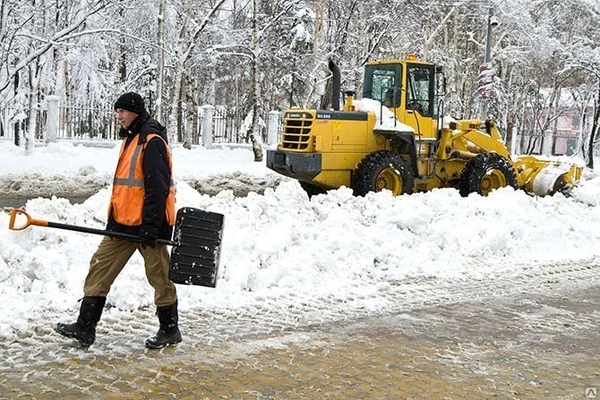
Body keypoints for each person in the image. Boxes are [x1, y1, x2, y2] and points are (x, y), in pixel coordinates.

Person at [54, 92, 181, 349]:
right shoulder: (131, 140)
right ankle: (85, 327)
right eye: (117, 112)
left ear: (134, 111)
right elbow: (126, 189)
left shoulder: (151, 141)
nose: (119, 116)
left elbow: (157, 189)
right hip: (122, 225)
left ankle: (170, 330)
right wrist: (114, 219)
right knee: (99, 267)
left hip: (148, 227)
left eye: (122, 111)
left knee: (159, 277)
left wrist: (150, 227)